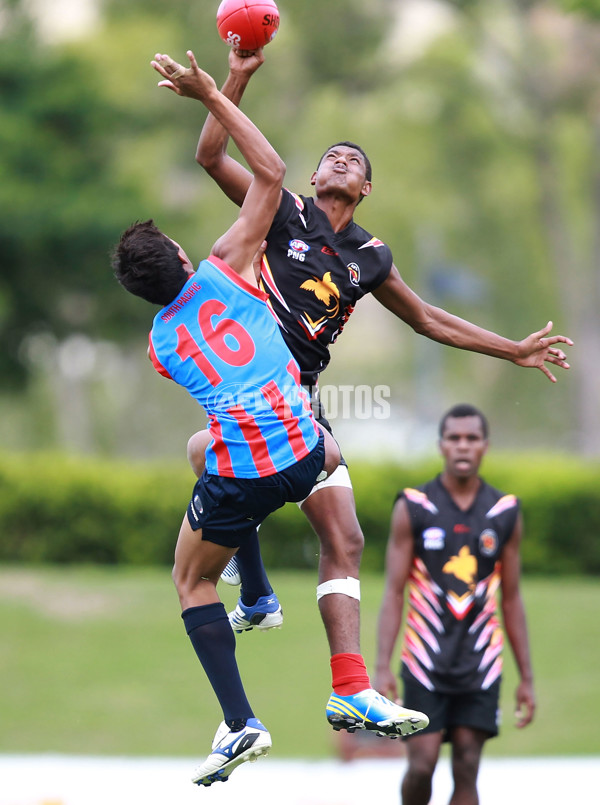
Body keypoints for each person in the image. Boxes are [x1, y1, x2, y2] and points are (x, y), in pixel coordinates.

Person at [186, 44, 570, 715]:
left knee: (346, 538)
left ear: (365, 189)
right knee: (214, 456)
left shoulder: (371, 255)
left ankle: (349, 687)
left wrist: (511, 349)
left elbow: (426, 318)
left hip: (299, 408)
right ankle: (254, 593)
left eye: (354, 162)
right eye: (332, 156)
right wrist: (235, 79)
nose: (341, 161)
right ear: (312, 175)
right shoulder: (281, 211)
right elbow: (212, 157)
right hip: (254, 400)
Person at [112, 49, 428, 787]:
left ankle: (257, 700)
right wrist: (217, 89)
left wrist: (231, 78)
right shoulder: (232, 262)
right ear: (188, 255)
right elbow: (266, 170)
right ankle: (259, 598)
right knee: (231, 459)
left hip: (251, 453)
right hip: (305, 441)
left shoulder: (162, 343)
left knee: (193, 571)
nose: (340, 161)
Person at [373, 403, 536, 805]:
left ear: (485, 446)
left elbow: (512, 598)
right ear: (441, 445)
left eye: (472, 438)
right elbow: (394, 591)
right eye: (454, 438)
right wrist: (380, 666)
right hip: (424, 660)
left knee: (467, 763)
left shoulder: (504, 512)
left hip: (480, 661)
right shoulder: (413, 506)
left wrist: (527, 677)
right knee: (422, 764)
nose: (463, 446)